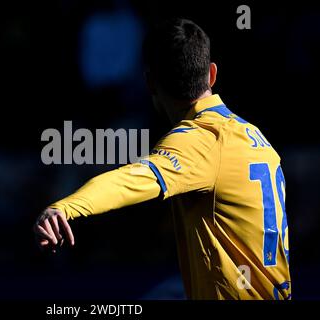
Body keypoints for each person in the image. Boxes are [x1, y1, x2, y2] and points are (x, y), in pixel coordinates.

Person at [33, 18, 291, 300]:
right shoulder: (255, 136)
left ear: (150, 84)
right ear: (212, 74)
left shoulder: (198, 139)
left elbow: (127, 181)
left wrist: (66, 208)